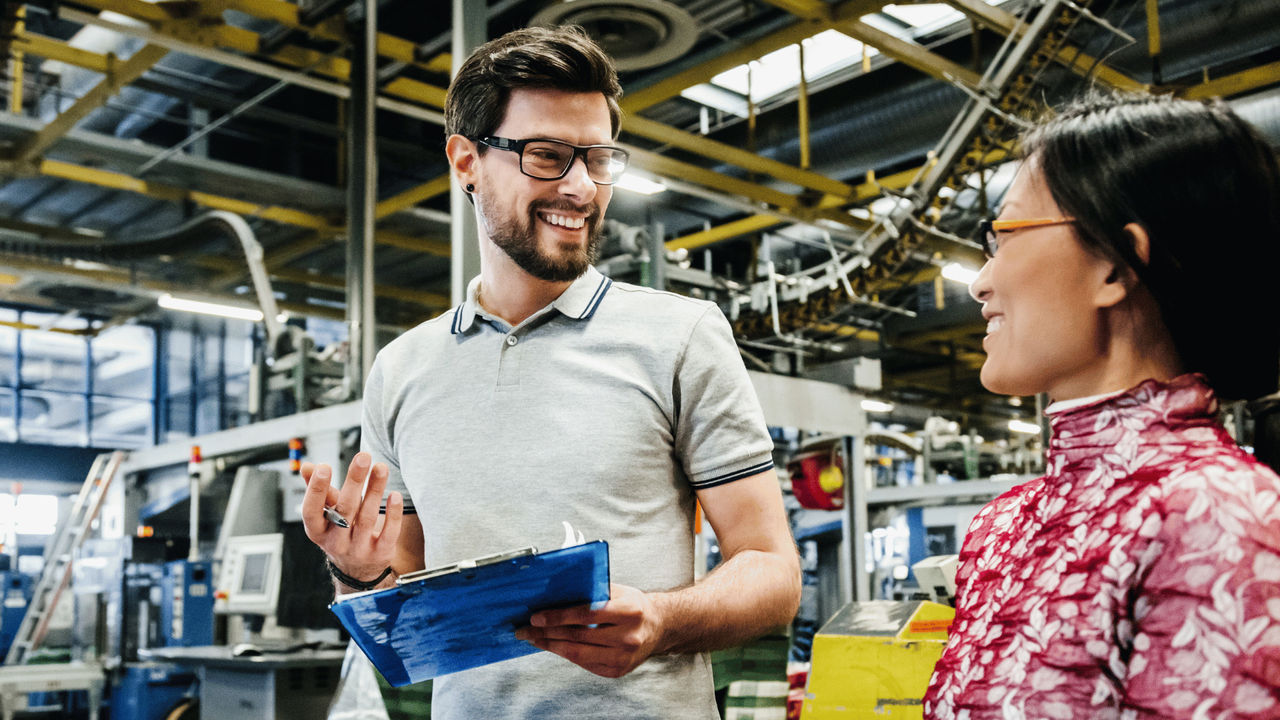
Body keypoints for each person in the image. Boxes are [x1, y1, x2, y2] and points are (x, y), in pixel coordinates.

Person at [299, 25, 801, 719]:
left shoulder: (681, 337)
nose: (580, 186)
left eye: (598, 159)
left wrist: (660, 620)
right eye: (546, 155)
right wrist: (358, 571)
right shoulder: (402, 370)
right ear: (466, 161)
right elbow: (406, 586)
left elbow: (772, 571)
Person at [923, 92, 1280, 718]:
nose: (980, 281)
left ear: (1115, 266)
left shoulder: (1220, 515)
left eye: (1002, 235)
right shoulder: (1002, 528)